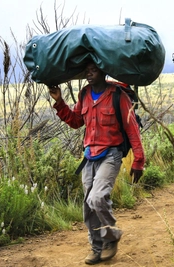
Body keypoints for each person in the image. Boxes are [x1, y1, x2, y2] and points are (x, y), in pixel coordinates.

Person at [48, 59, 145, 265]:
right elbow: (75, 122)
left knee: (98, 198)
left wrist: (139, 161)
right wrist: (59, 101)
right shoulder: (84, 94)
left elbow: (132, 130)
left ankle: (111, 237)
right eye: (87, 71)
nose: (90, 74)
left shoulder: (118, 96)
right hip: (89, 156)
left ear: (104, 72)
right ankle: (96, 247)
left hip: (111, 154)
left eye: (94, 70)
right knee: (88, 206)